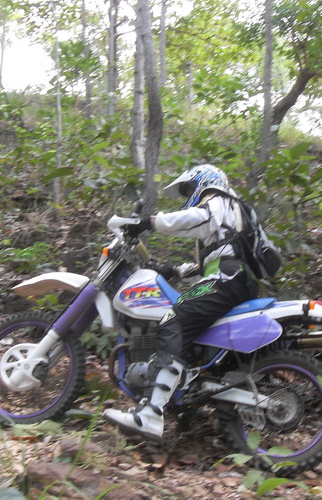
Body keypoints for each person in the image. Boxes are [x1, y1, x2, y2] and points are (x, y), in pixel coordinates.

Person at [102, 164, 258, 440]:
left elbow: (196, 218)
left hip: (227, 280)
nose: (189, 195)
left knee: (172, 318)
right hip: (229, 278)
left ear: (205, 182)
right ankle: (182, 399)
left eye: (188, 189)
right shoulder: (231, 212)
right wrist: (173, 270)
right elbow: (212, 261)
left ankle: (150, 414)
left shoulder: (219, 199)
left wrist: (149, 222)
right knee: (184, 328)